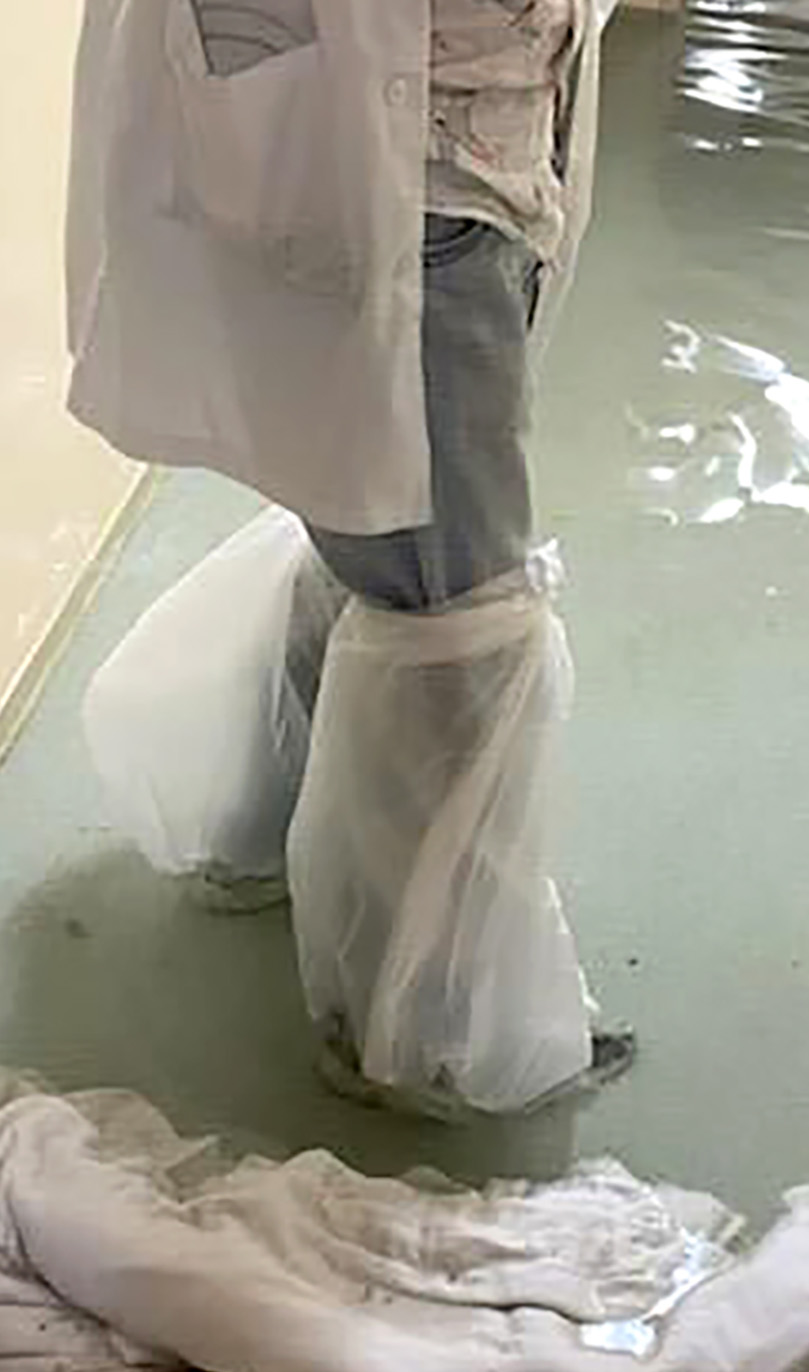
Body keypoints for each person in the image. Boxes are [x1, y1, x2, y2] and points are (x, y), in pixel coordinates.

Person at [66, 0, 627, 1114]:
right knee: (451, 609)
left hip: (454, 154)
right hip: (416, 183)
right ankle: (432, 1031)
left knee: (379, 529)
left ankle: (257, 829)